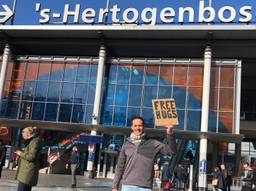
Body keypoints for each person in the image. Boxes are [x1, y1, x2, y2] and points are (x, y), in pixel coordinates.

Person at [112, 116, 177, 191]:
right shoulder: (126, 145)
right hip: (127, 186)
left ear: (143, 127)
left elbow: (172, 151)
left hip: (145, 187)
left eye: (140, 125)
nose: (137, 128)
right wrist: (115, 186)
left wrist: (170, 133)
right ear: (132, 127)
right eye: (135, 126)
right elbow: (120, 166)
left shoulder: (152, 143)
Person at [15, 127, 42, 191]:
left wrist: (21, 153)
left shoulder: (34, 142)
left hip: (28, 172)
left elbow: (32, 156)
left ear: (28, 133)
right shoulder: (30, 141)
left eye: (24, 132)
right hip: (26, 172)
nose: (22, 134)